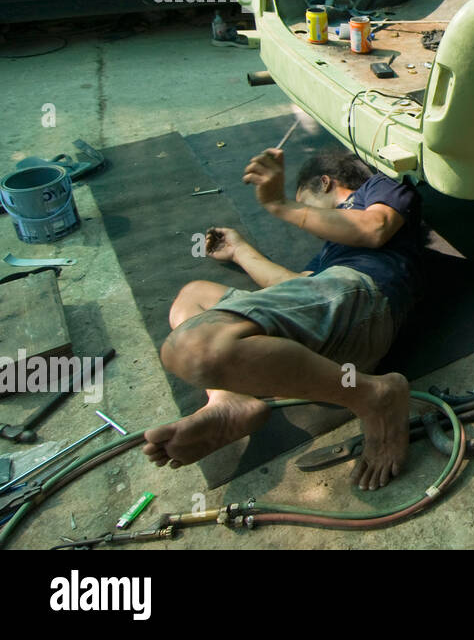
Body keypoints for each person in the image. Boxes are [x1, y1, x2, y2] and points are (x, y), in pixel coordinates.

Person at [143, 147, 425, 490]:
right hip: (331, 315)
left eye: (305, 201)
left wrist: (282, 205)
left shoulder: (380, 188)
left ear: (325, 183)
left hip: (364, 295)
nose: (310, 225)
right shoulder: (331, 253)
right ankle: (228, 398)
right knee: (193, 295)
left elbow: (373, 228)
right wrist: (239, 250)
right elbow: (295, 290)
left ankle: (374, 396)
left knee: (192, 347)